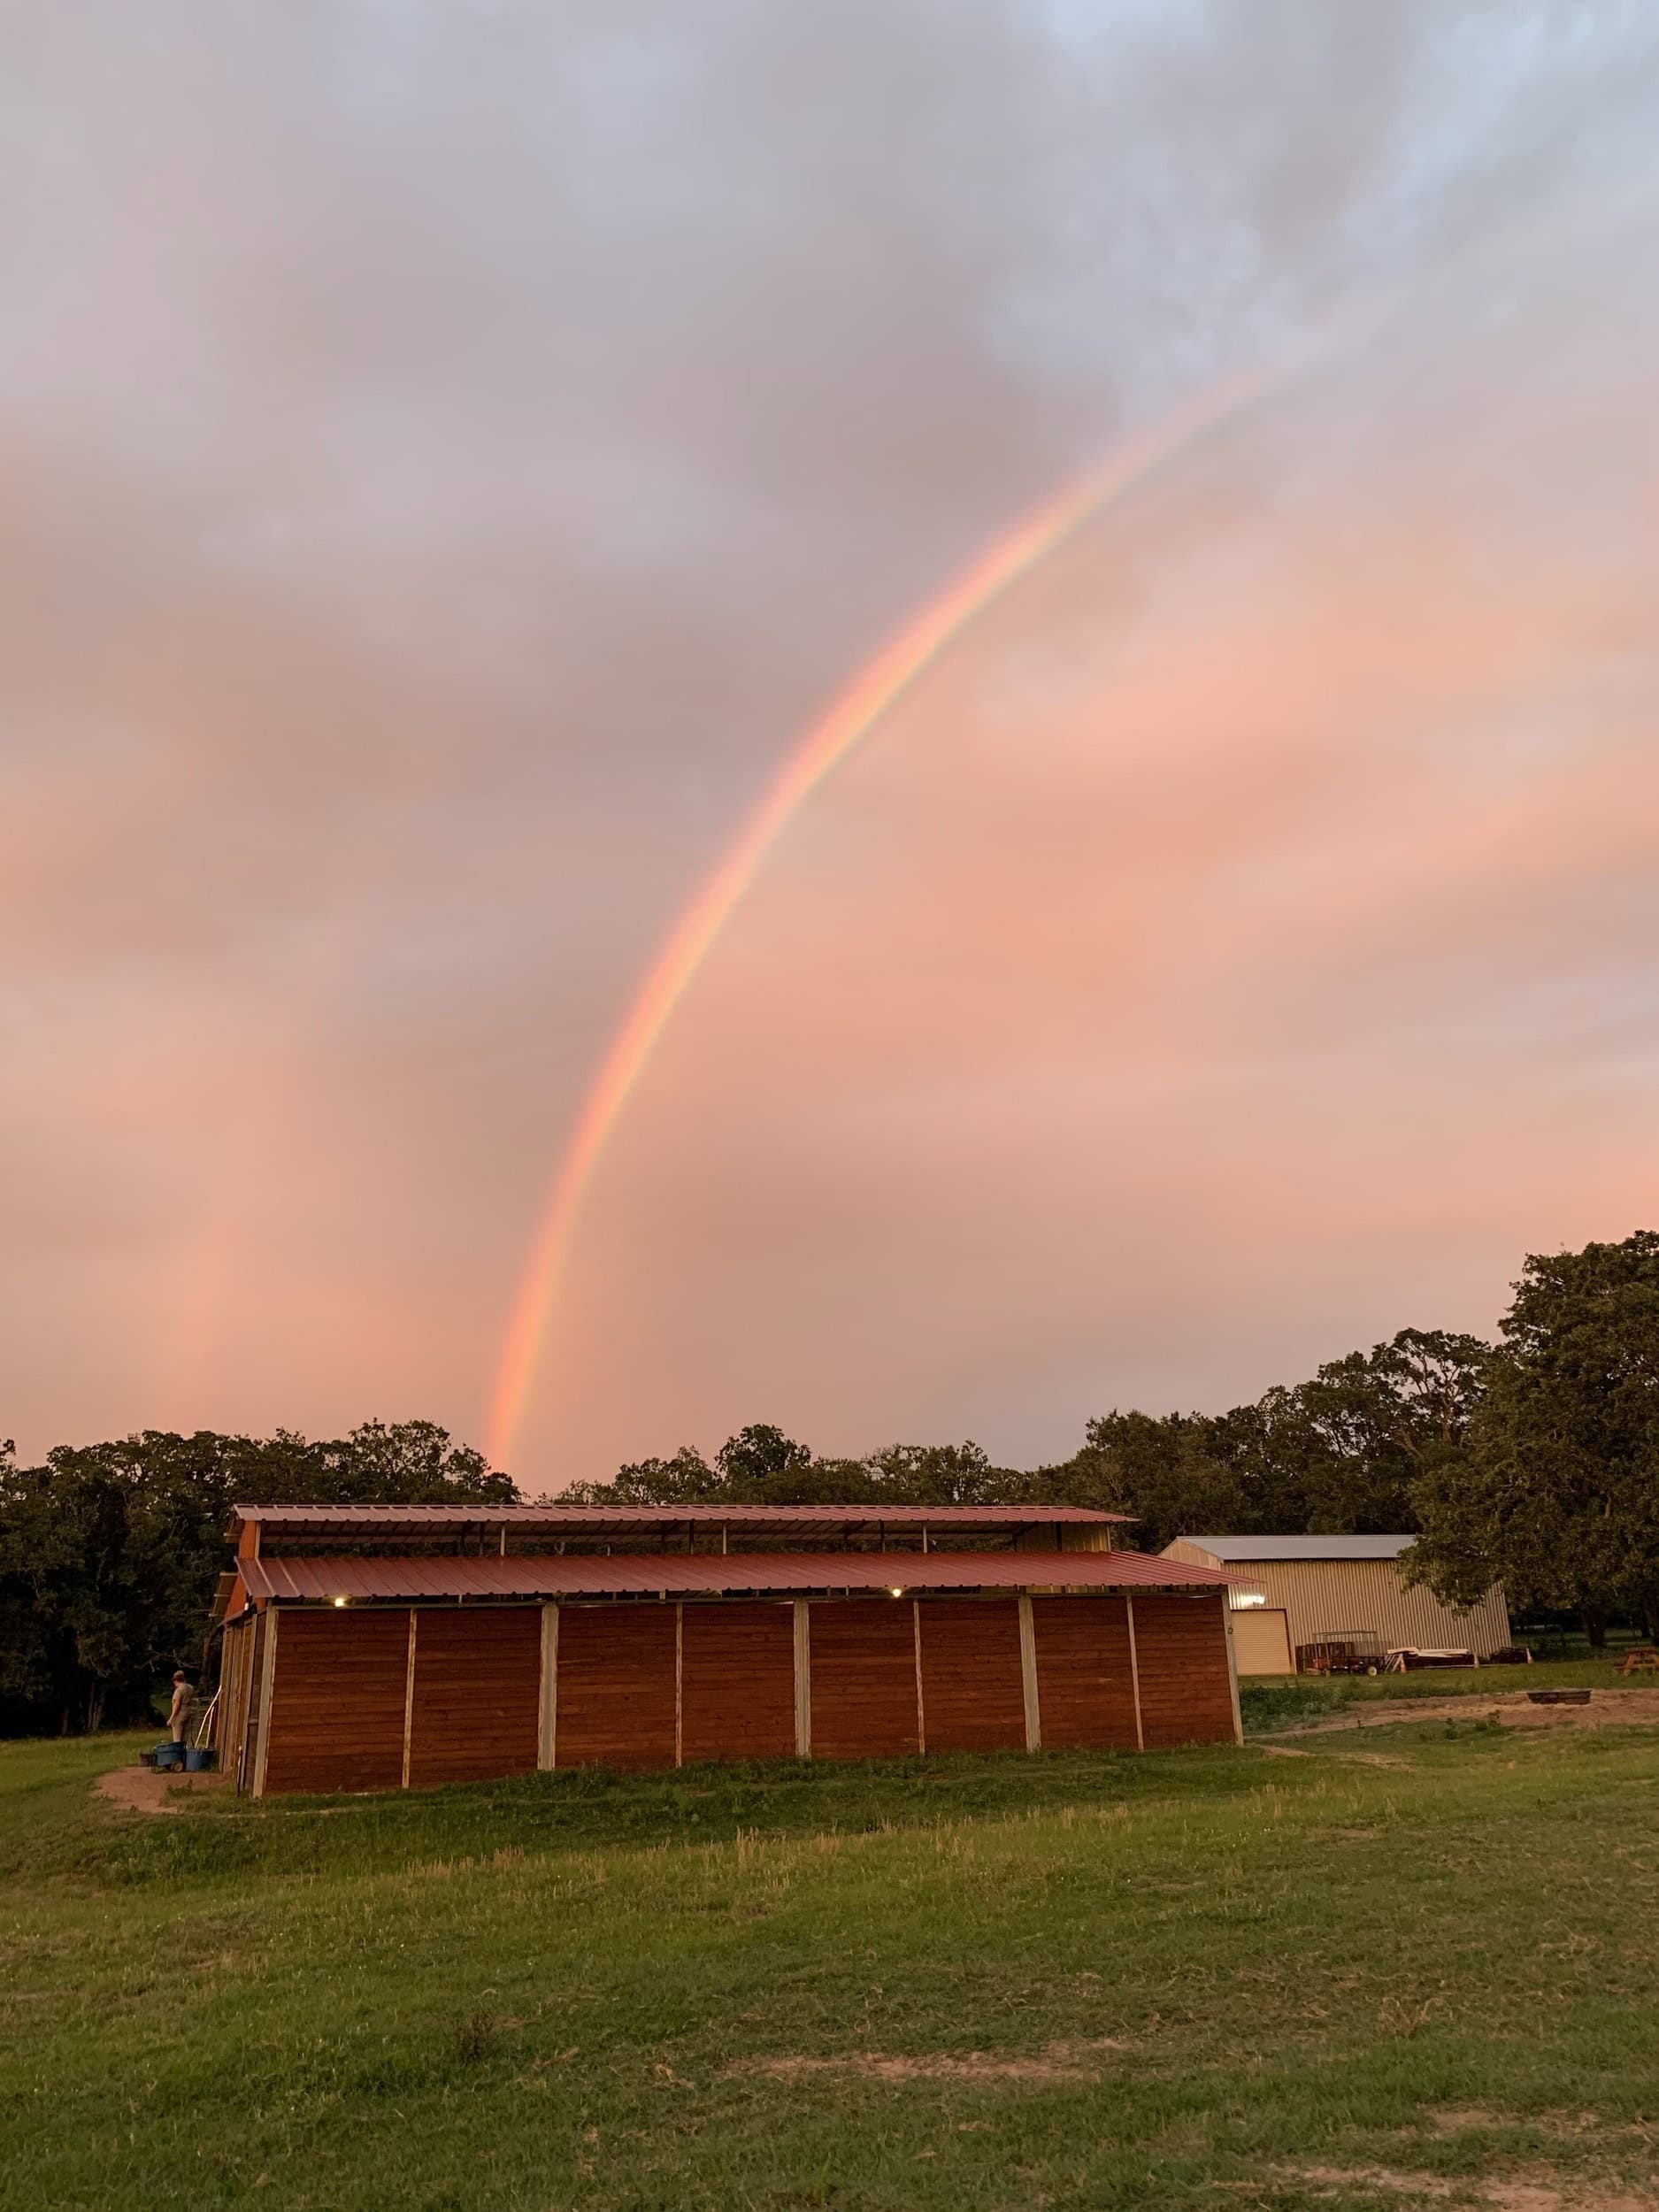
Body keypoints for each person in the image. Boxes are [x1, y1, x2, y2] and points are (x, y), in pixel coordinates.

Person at [168, 1671, 196, 1752]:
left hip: (179, 1715)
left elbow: (176, 1705)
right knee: (186, 1738)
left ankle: (178, 1758)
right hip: (189, 1713)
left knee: (177, 1738)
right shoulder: (190, 1688)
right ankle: (186, 1755)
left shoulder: (179, 1691)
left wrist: (171, 1718)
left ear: (176, 1681)